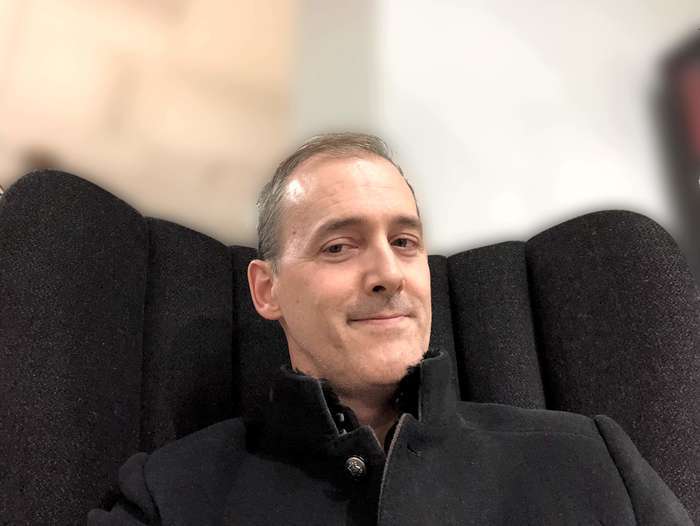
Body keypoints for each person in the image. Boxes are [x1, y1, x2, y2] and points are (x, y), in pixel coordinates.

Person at [88, 133, 693, 525]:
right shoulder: (170, 495)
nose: (388, 274)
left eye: (405, 242)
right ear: (266, 290)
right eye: (339, 246)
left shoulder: (593, 459)